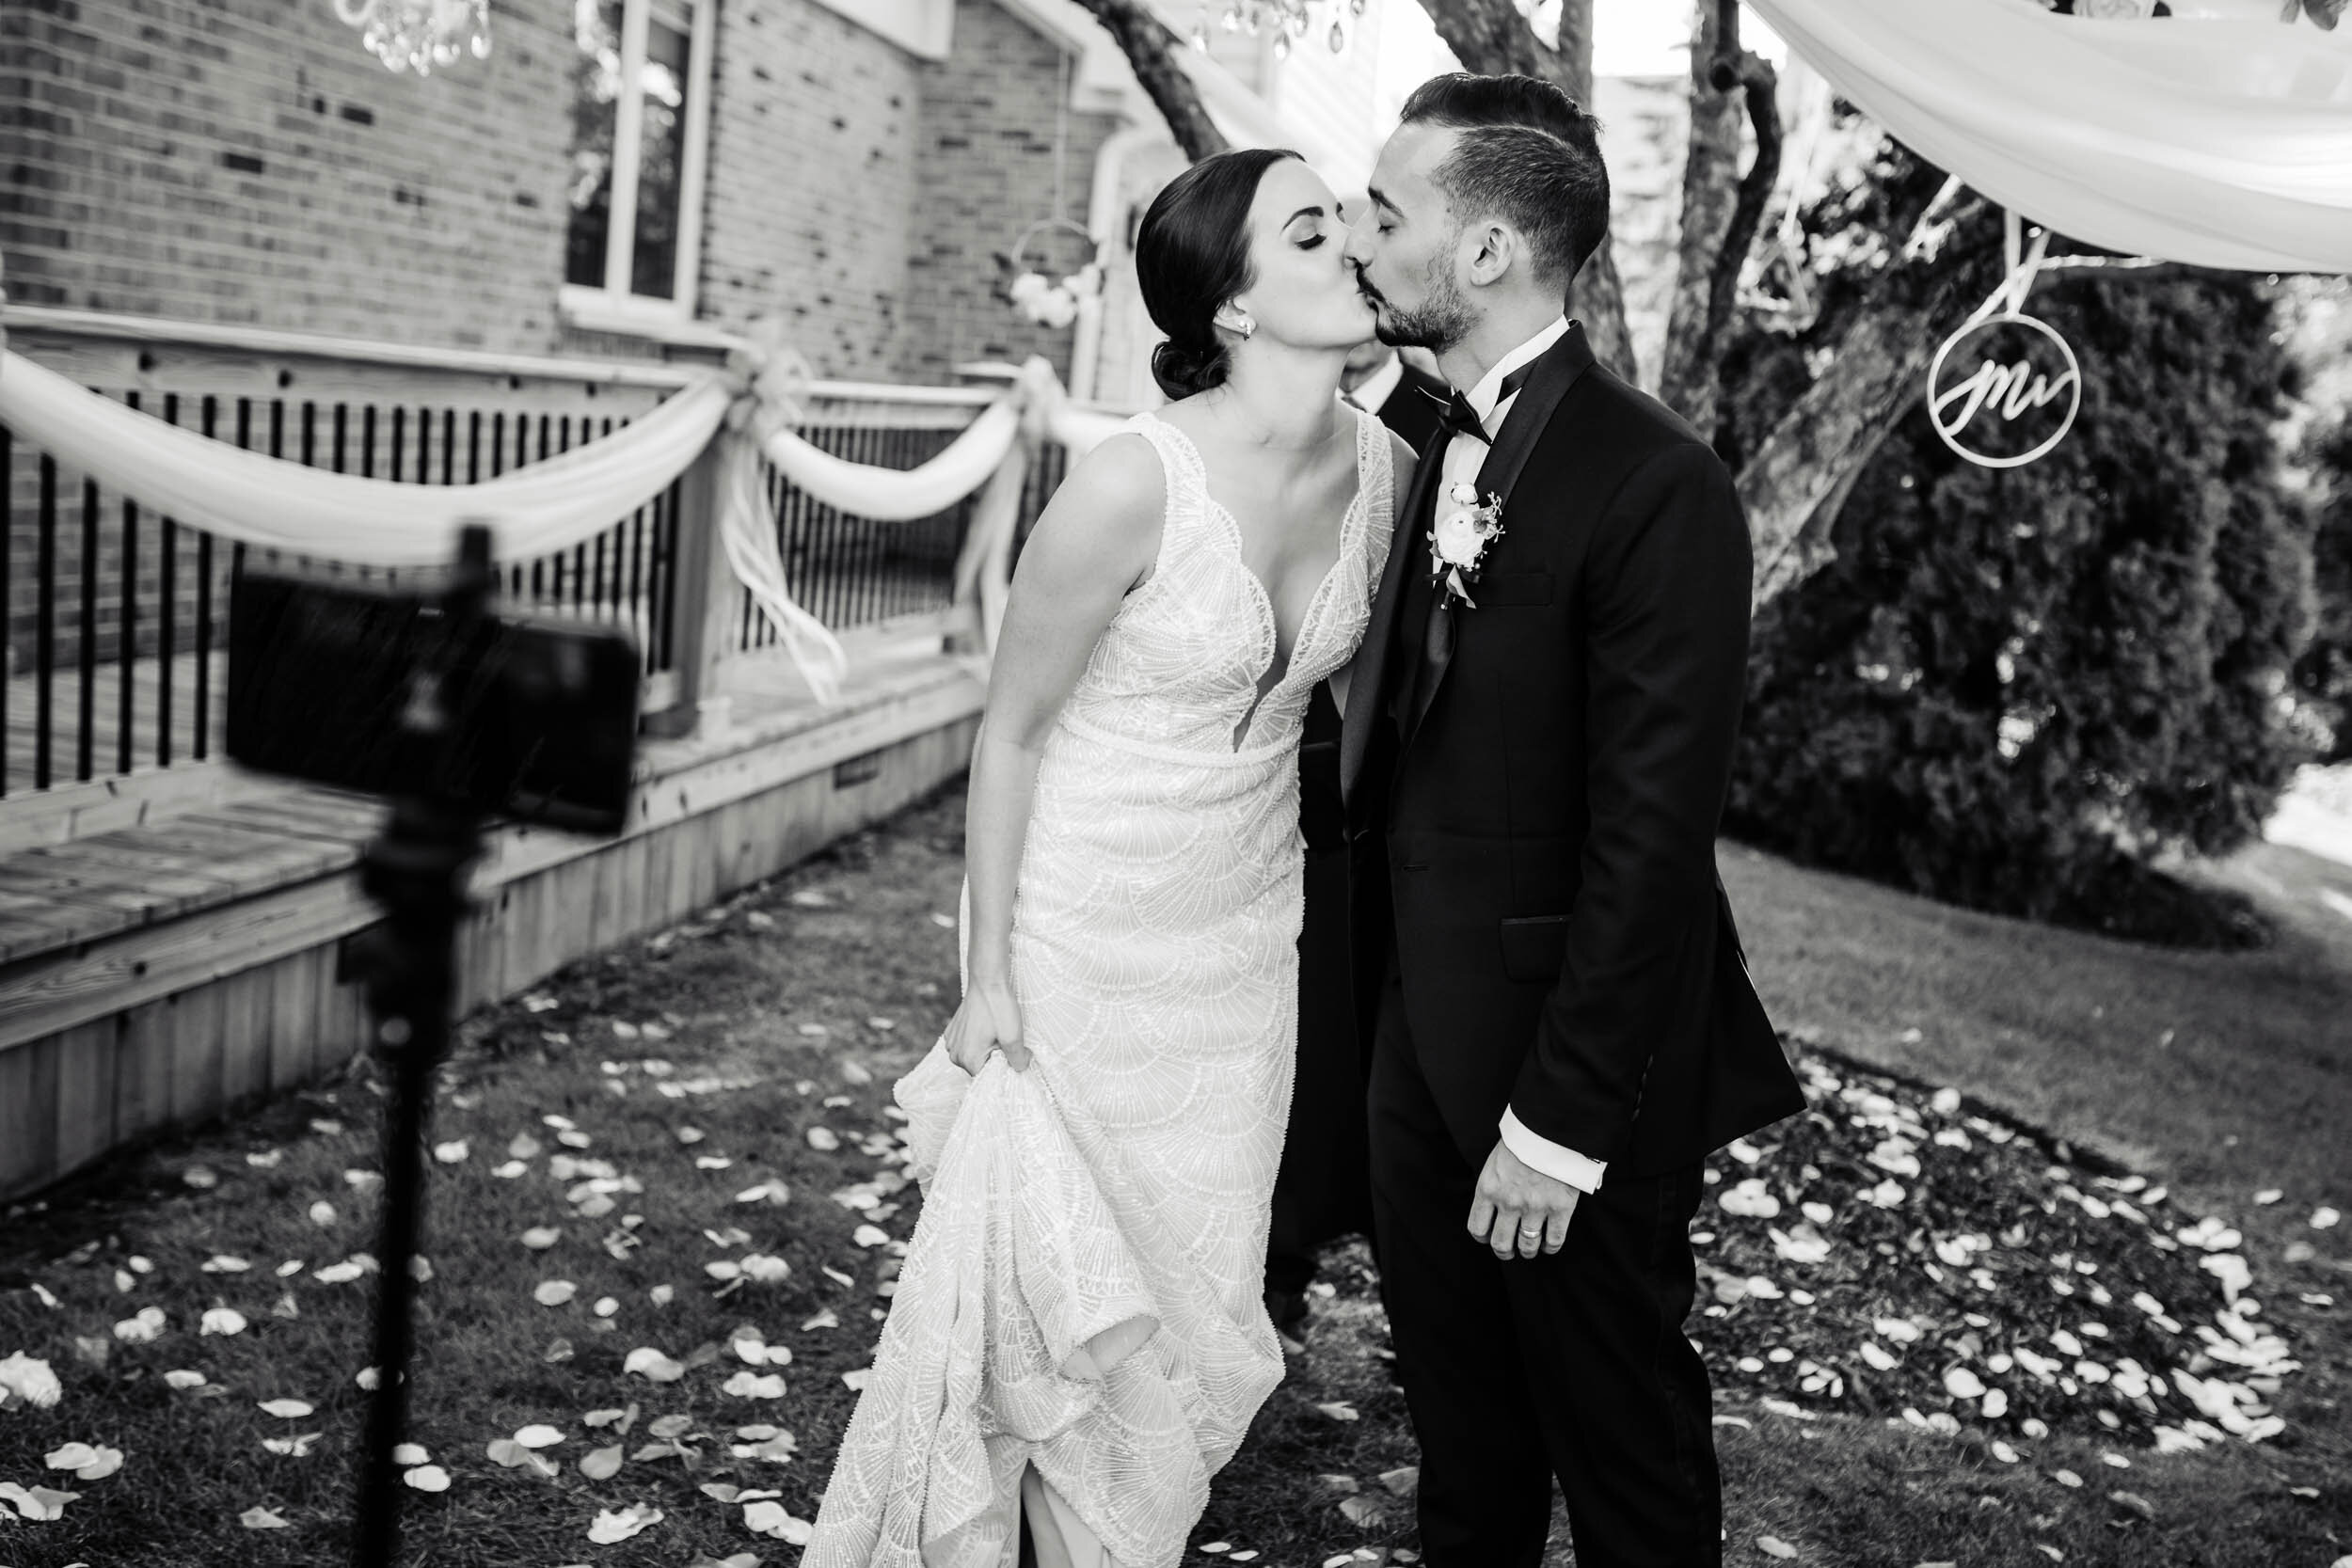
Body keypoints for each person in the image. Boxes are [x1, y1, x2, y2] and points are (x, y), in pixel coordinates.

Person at [806, 147, 1412, 1568]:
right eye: (1316, 234)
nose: (1357, 253)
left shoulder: (1388, 472)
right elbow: (1009, 735)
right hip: (1082, 915)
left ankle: (1119, 1523)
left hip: (1243, 930)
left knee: (1192, 1264)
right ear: (1239, 310)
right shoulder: (1126, 488)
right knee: (1041, 1264)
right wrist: (990, 974)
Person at [1338, 73, 1807, 1568]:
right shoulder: (1430, 432)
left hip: (1568, 1081)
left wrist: (1557, 1128)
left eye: (1386, 209)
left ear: (1482, 254)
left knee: (1623, 1459)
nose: (1359, 233)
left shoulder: (1660, 482)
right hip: (1415, 1043)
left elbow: (1652, 839)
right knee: (1462, 1447)